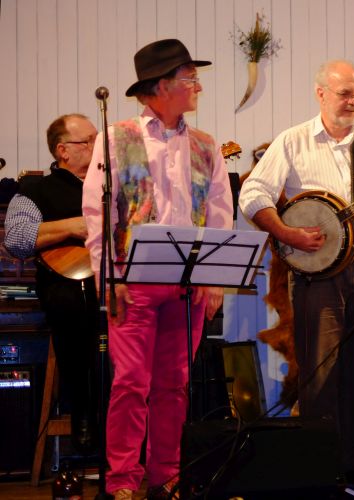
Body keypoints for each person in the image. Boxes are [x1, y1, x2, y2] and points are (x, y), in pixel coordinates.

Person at [239, 60, 354, 487]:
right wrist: (285, 233)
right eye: (344, 93)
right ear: (320, 93)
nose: (353, 101)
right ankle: (318, 459)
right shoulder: (294, 141)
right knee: (321, 365)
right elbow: (252, 193)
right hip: (317, 268)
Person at [81, 39, 233, 500]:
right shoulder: (118, 136)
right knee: (130, 383)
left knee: (176, 384)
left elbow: (220, 212)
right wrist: (108, 277)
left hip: (188, 281)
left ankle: (165, 475)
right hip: (133, 281)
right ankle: (123, 479)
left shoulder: (205, 144)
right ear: (162, 85)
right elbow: (97, 212)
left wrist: (215, 278)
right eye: (190, 78)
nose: (198, 86)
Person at [3, 114, 100, 454]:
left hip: (115, 288)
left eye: (97, 139)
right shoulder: (35, 190)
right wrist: (73, 226)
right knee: (73, 308)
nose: (96, 145)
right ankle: (85, 416)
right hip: (68, 290)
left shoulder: (114, 185)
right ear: (63, 151)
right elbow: (16, 238)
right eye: (86, 141)